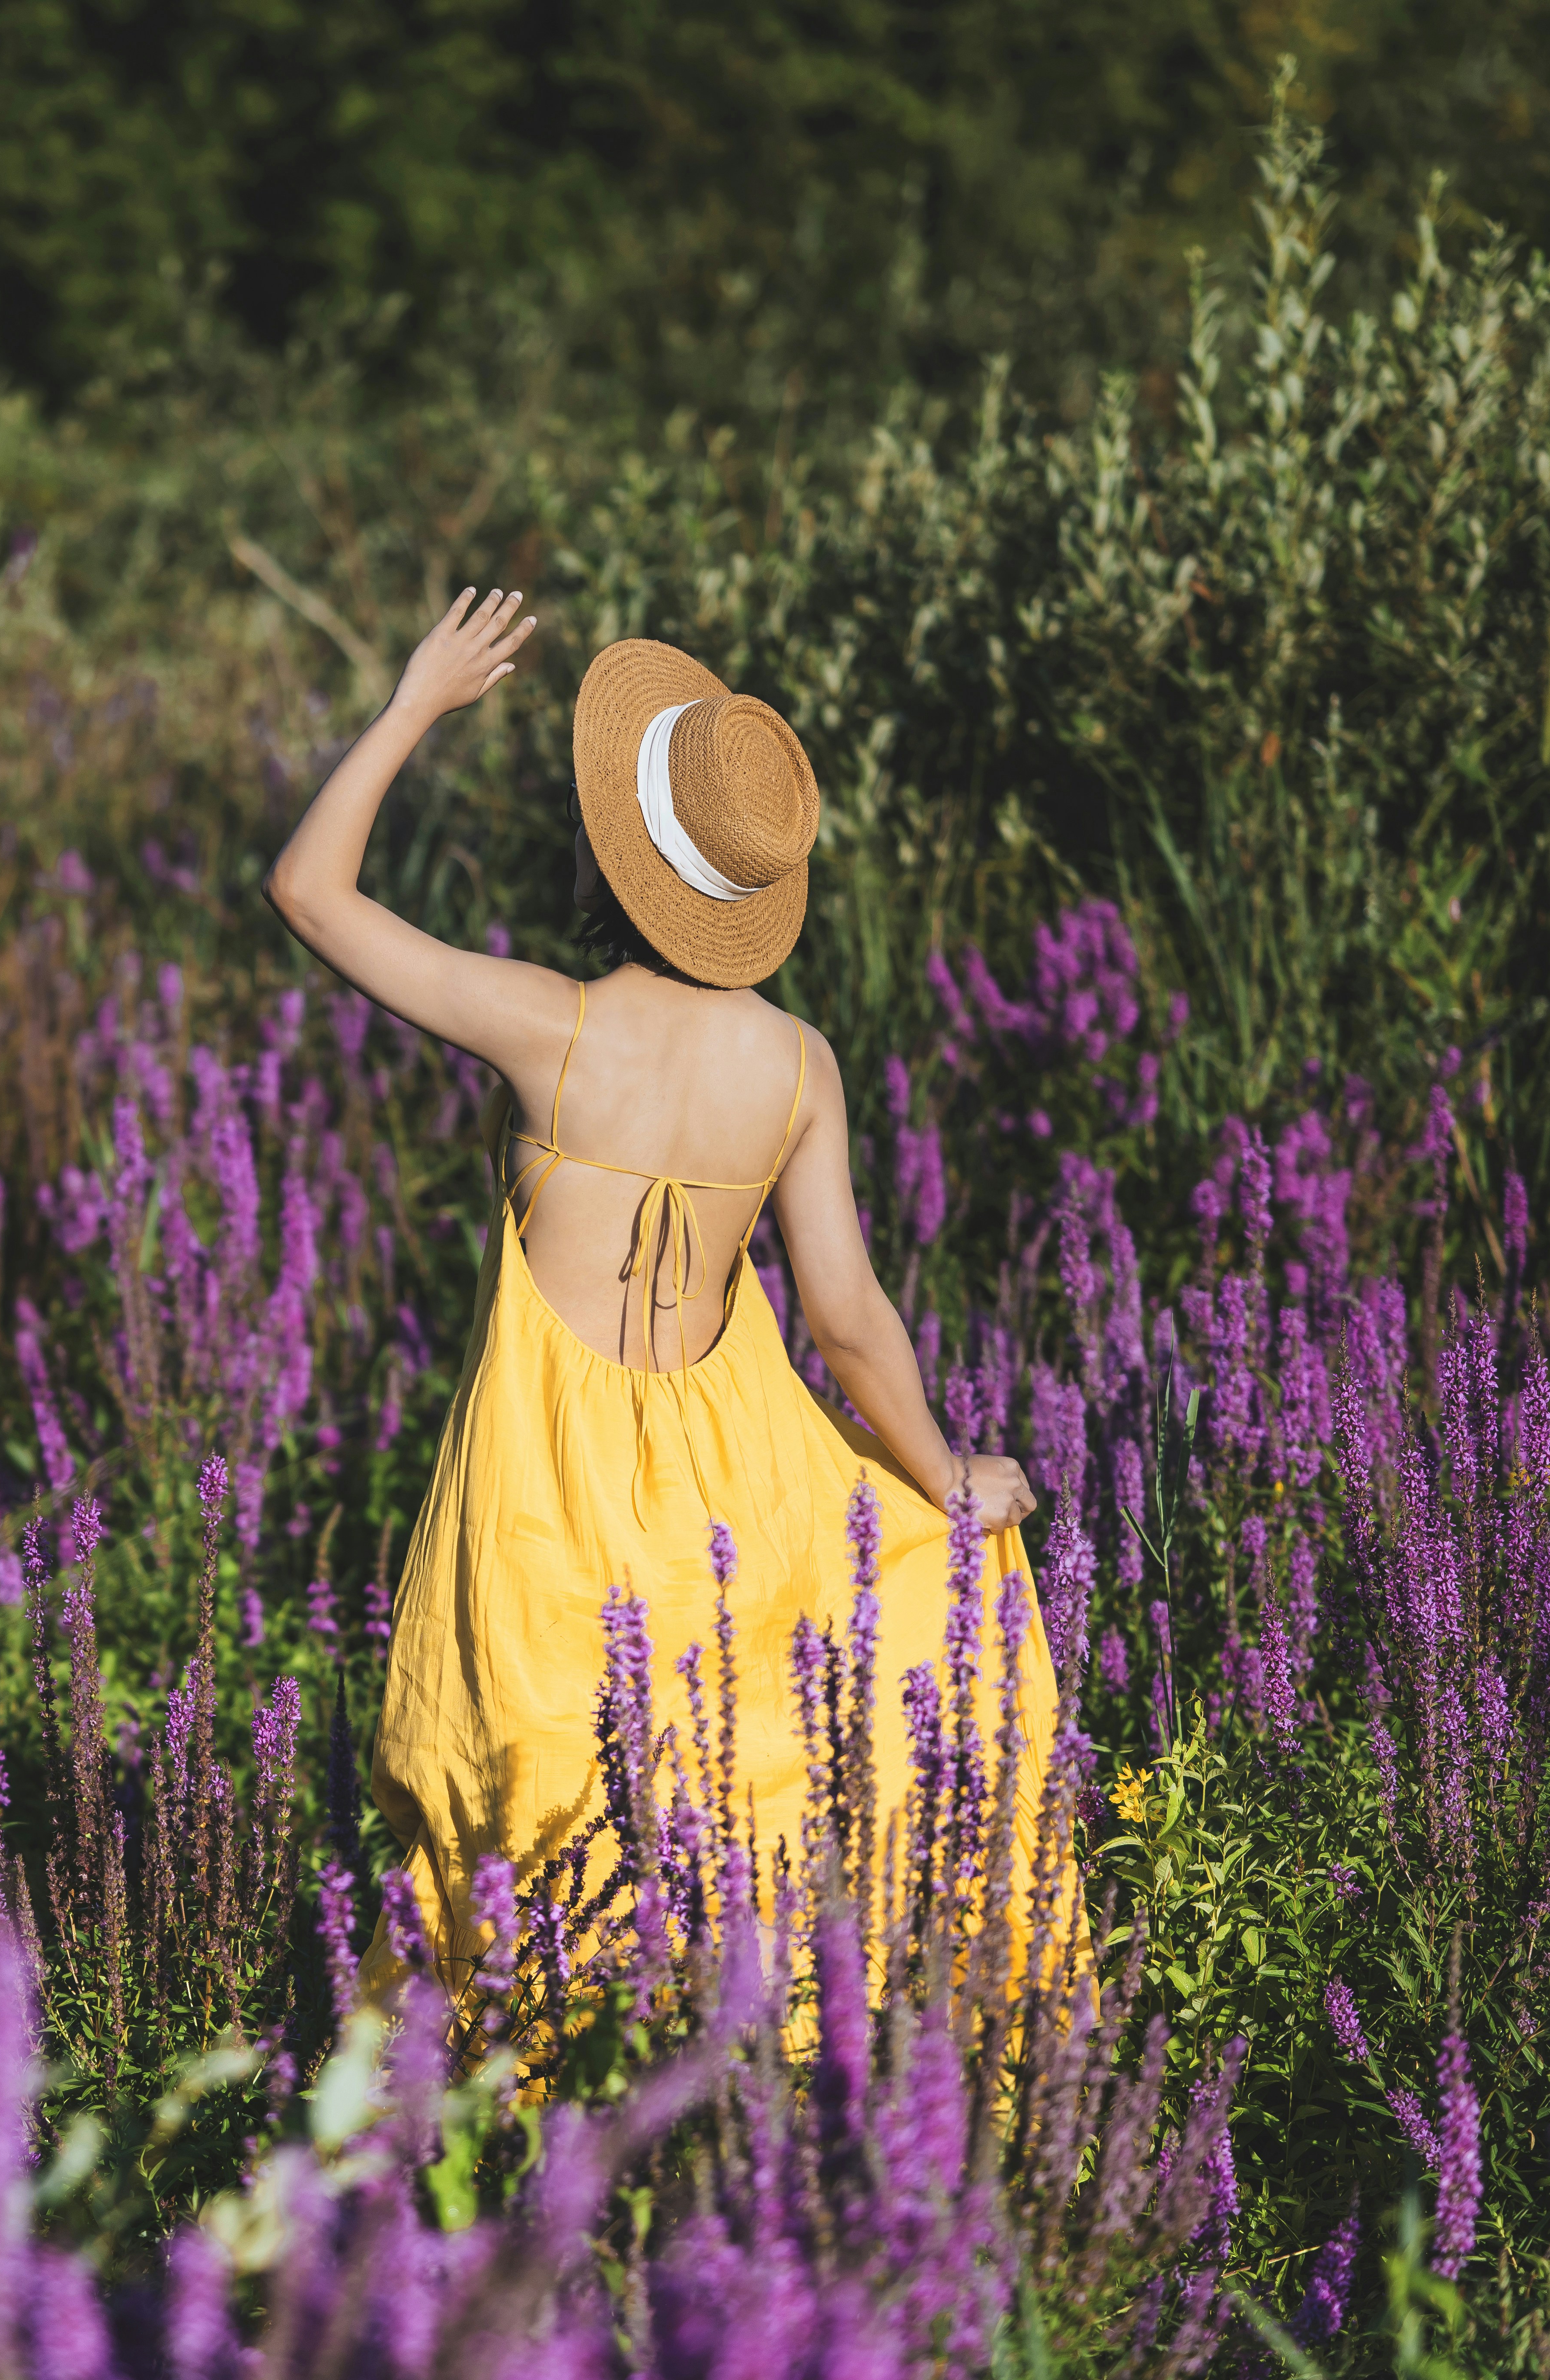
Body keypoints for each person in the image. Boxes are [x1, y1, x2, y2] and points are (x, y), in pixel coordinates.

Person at [265, 588, 1058, 1999]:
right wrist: (947, 1477)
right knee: (735, 1793)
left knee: (522, 1818)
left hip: (546, 1490)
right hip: (733, 1484)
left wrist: (410, 707)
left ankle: (481, 2163)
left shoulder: (549, 1029)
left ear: (622, 863)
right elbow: (848, 1323)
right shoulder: (799, 1066)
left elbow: (310, 893)